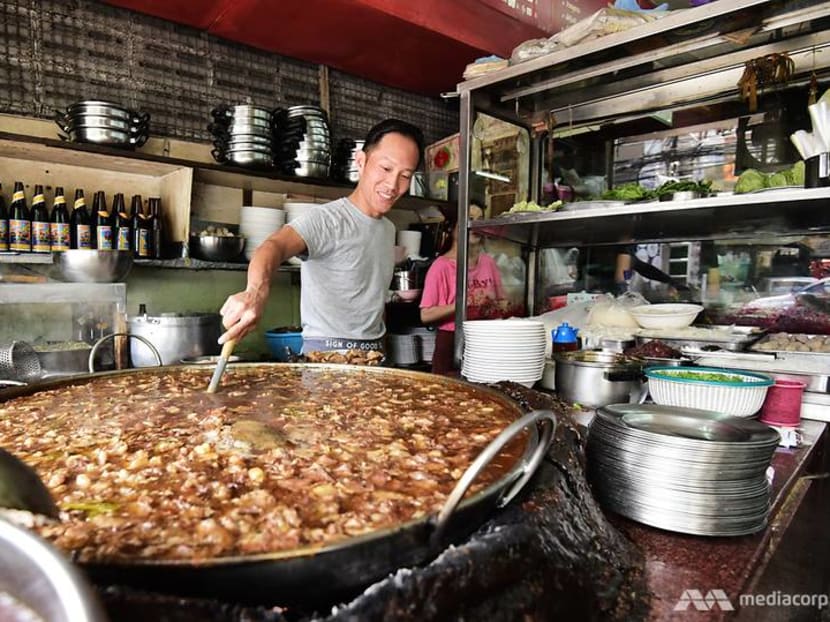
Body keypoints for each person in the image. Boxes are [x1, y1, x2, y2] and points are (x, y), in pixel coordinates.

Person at [218, 118, 424, 353]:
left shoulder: (388, 229)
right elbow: (274, 246)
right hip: (326, 361)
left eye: (405, 175)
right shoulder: (328, 219)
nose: (392, 184)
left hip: (375, 356)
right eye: (386, 168)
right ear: (361, 161)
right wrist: (255, 292)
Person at [419, 203, 506, 374]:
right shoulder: (441, 266)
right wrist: (463, 304)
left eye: (479, 221)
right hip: (452, 341)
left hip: (485, 339)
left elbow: (502, 301)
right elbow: (426, 315)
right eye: (469, 220)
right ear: (452, 229)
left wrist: (499, 306)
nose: (475, 226)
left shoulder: (488, 262)